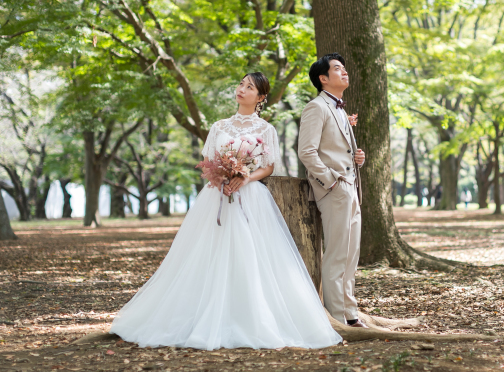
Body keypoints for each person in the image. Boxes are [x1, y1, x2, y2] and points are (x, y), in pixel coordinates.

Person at [110, 73, 341, 350]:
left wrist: (244, 178)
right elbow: (207, 161)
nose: (242, 89)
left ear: (261, 98)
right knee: (206, 252)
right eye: (241, 84)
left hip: (250, 197)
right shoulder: (219, 126)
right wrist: (218, 178)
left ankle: (251, 317)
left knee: (251, 254)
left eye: (250, 87)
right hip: (215, 197)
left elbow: (268, 167)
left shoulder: (266, 129)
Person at [298, 53, 367, 328]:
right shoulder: (316, 107)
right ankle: (337, 317)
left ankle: (351, 313)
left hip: (352, 188)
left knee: (352, 255)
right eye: (338, 68)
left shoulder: (339, 109)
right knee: (337, 253)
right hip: (335, 190)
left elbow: (337, 149)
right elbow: (307, 151)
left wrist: (356, 157)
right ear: (323, 78)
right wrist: (332, 181)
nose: (344, 71)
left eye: (344, 67)